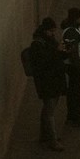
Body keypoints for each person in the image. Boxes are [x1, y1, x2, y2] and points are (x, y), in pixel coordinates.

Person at [30, 17, 69, 151]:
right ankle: (52, 140)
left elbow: (56, 56)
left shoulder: (48, 41)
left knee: (48, 109)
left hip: (54, 80)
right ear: (46, 30)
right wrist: (57, 51)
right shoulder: (38, 44)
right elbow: (44, 62)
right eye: (51, 31)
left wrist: (63, 51)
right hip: (47, 82)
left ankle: (44, 136)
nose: (53, 34)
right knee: (50, 111)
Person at [60, 7, 80, 129]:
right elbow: (73, 54)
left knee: (74, 92)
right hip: (75, 68)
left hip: (75, 67)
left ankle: (72, 117)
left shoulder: (74, 29)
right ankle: (76, 118)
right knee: (75, 93)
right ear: (77, 18)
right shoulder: (72, 32)